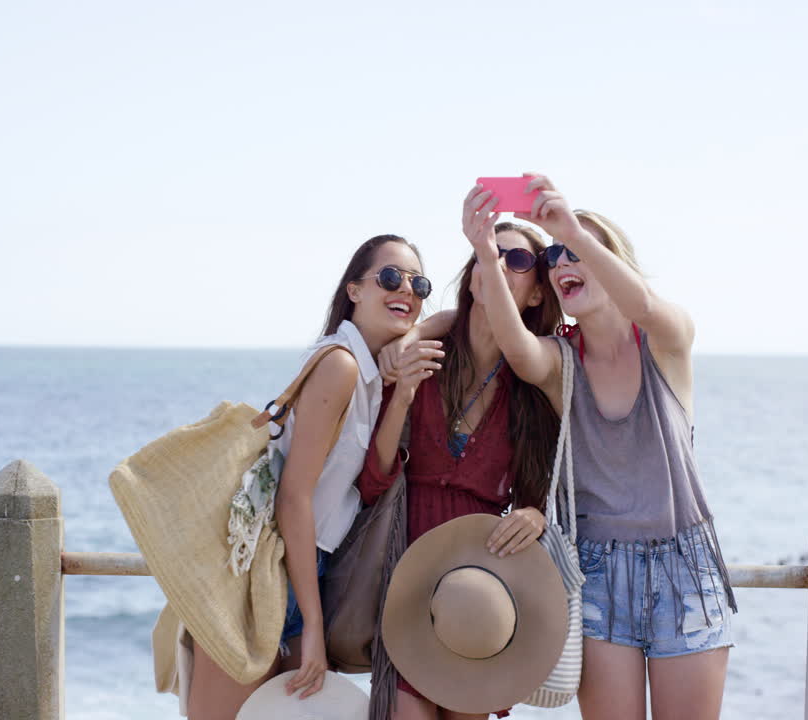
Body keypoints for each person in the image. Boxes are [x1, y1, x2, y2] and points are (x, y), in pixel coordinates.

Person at [462, 176, 737, 720]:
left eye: (581, 250)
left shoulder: (666, 338)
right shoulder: (561, 362)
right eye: (555, 256)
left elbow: (646, 304)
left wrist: (570, 231)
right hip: (599, 572)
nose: (564, 260)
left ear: (616, 262)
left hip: (685, 564)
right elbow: (516, 348)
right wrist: (485, 254)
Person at [187, 234, 443, 720]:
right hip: (264, 576)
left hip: (294, 572)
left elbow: (449, 321)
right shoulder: (341, 366)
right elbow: (293, 499)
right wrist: (313, 628)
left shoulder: (369, 375)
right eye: (390, 277)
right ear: (354, 291)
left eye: (419, 283)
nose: (406, 290)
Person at [359, 221, 563, 720]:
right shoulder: (420, 356)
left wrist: (535, 516)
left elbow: (544, 495)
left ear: (537, 292)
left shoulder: (533, 388)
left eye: (515, 261)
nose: (494, 264)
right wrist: (404, 386)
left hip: (478, 591)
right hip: (403, 576)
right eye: (486, 255)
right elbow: (371, 482)